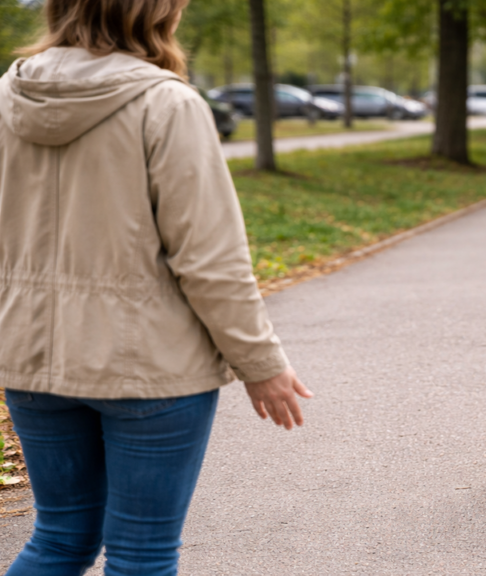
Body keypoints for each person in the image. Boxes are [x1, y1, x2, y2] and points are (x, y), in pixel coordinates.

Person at [0, 1, 313, 574]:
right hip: (147, 366)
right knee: (140, 553)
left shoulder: (6, 96)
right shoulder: (166, 104)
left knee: (59, 538)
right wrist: (260, 364)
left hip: (30, 357)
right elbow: (210, 260)